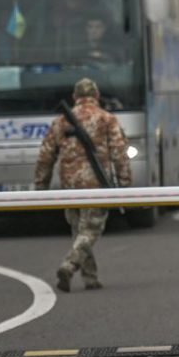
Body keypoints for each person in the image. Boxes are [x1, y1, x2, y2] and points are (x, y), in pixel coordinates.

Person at [33, 78, 131, 292]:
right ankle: (69, 265)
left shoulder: (60, 122)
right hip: (96, 184)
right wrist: (125, 185)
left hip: (70, 186)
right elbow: (119, 154)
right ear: (96, 96)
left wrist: (41, 187)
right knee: (92, 229)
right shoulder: (107, 118)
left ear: (75, 97)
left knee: (79, 231)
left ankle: (90, 277)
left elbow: (45, 156)